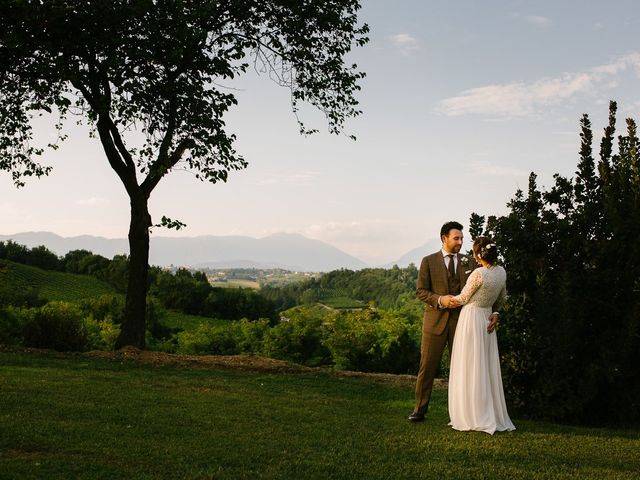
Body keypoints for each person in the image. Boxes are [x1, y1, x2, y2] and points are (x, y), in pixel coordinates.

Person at [408, 221, 498, 422]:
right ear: (444, 238)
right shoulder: (428, 261)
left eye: (462, 238)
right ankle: (419, 410)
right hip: (434, 323)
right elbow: (421, 291)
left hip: (463, 323)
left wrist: (496, 312)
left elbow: (489, 287)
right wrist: (440, 300)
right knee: (427, 367)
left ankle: (465, 414)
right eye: (456, 238)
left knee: (465, 369)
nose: (460, 242)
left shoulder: (471, 262)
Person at [443, 237, 515, 434]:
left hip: (472, 319)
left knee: (470, 364)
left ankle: (472, 414)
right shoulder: (502, 272)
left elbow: (463, 298)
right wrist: (496, 313)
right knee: (484, 366)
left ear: (477, 255)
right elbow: (503, 299)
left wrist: (443, 299)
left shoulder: (478, 273)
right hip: (486, 319)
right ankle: (485, 411)